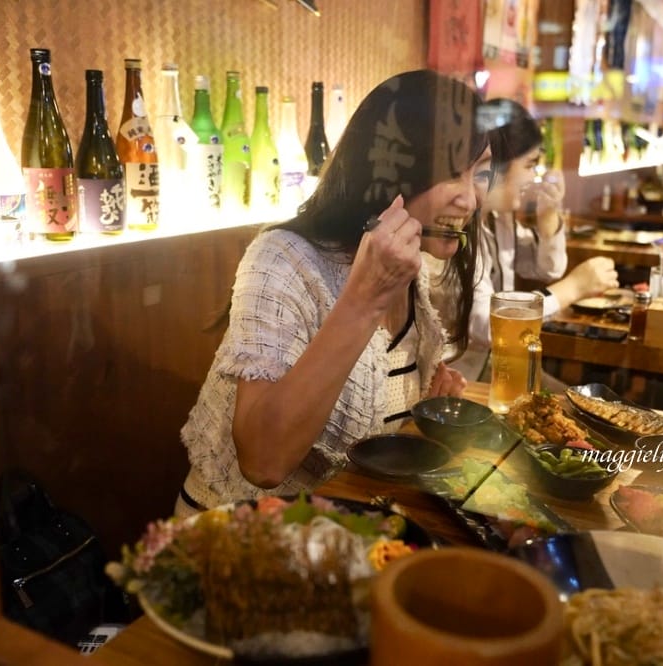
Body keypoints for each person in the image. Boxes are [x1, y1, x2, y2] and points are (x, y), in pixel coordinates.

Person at [174, 70, 493, 514]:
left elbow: (365, 431)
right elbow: (263, 461)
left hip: (344, 531)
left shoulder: (408, 265)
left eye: (480, 173)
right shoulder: (281, 260)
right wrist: (364, 299)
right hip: (240, 542)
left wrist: (424, 412)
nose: (471, 200)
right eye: (453, 173)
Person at [437, 98, 617, 382]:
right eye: (531, 165)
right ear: (497, 164)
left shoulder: (500, 218)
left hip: (501, 365)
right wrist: (573, 288)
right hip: (465, 379)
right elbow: (486, 325)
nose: (534, 176)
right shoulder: (454, 229)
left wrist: (548, 218)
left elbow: (545, 269)